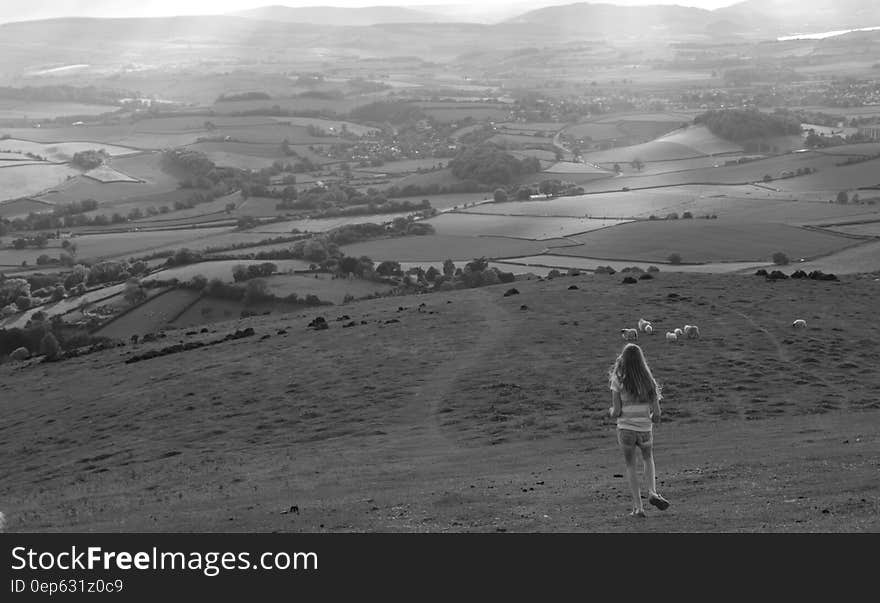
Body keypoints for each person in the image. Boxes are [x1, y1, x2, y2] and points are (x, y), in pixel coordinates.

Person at [608, 343, 670, 518]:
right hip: (644, 429)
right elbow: (657, 414)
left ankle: (638, 507)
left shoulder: (618, 378)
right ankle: (652, 491)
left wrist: (611, 412)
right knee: (648, 458)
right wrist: (647, 418)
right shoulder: (648, 380)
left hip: (625, 429)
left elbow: (617, 411)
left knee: (630, 466)